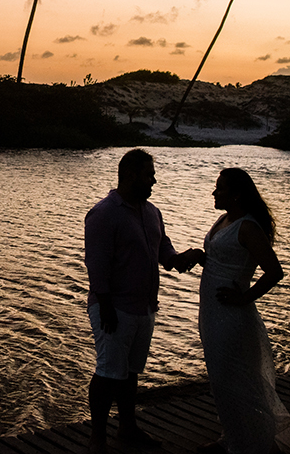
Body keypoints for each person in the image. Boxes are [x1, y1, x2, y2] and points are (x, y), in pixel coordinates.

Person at [84, 148, 200, 452]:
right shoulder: (104, 213)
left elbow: (166, 255)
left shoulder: (152, 212)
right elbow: (96, 266)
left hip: (145, 307)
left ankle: (127, 428)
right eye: (149, 174)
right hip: (114, 307)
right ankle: (97, 439)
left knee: (131, 372)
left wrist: (188, 257)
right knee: (108, 371)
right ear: (131, 175)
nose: (154, 181)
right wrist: (106, 307)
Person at [195, 167, 290, 454]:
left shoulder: (248, 227)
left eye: (220, 188)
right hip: (211, 313)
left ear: (237, 194)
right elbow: (223, 259)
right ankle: (232, 438)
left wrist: (245, 298)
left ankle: (251, 444)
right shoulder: (224, 219)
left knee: (236, 380)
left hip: (232, 317)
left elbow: (273, 271)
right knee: (221, 380)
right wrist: (201, 257)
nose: (214, 192)